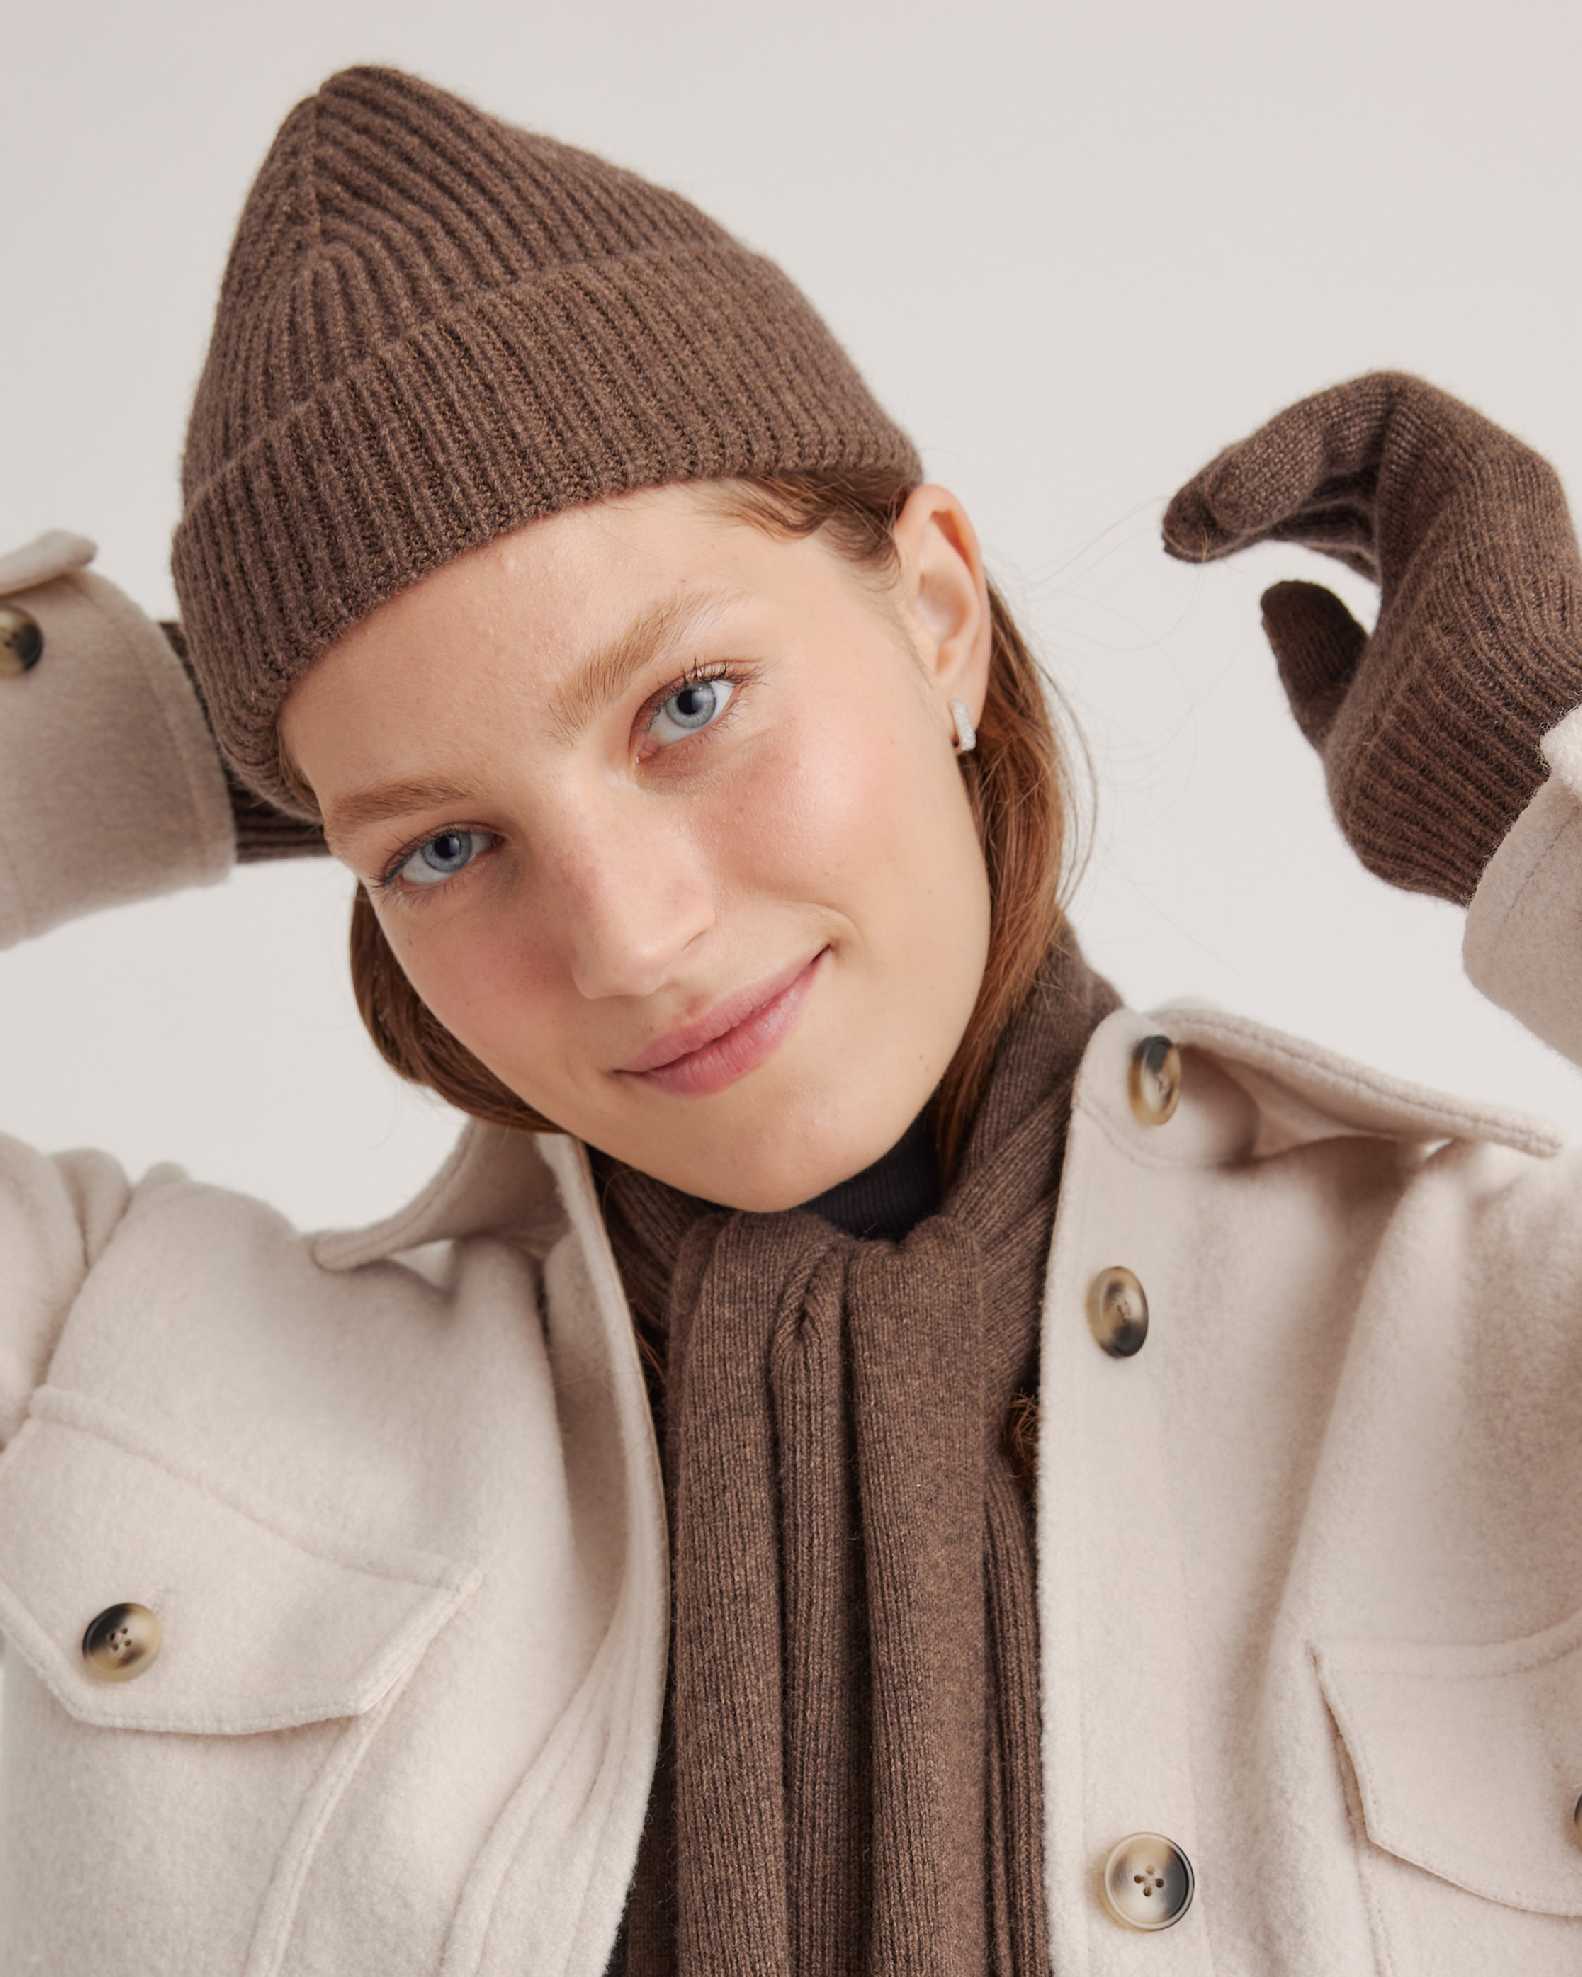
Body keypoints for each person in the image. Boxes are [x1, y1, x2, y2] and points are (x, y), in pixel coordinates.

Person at [3, 60, 1582, 1977]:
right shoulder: (114, 1383)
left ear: (935, 610)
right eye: (444, 846)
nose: (632, 940)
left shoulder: (1501, 1329)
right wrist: (106, 749)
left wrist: (1537, 813)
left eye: (686, 703)